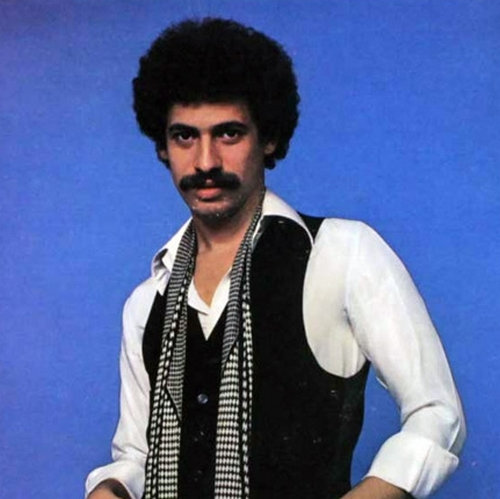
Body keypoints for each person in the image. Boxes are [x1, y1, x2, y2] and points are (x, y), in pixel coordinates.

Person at [85, 18, 465, 499]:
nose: (205, 162)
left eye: (228, 134)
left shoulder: (341, 254)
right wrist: (110, 488)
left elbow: (437, 414)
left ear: (268, 138)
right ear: (162, 146)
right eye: (184, 137)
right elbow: (138, 455)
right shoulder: (147, 301)